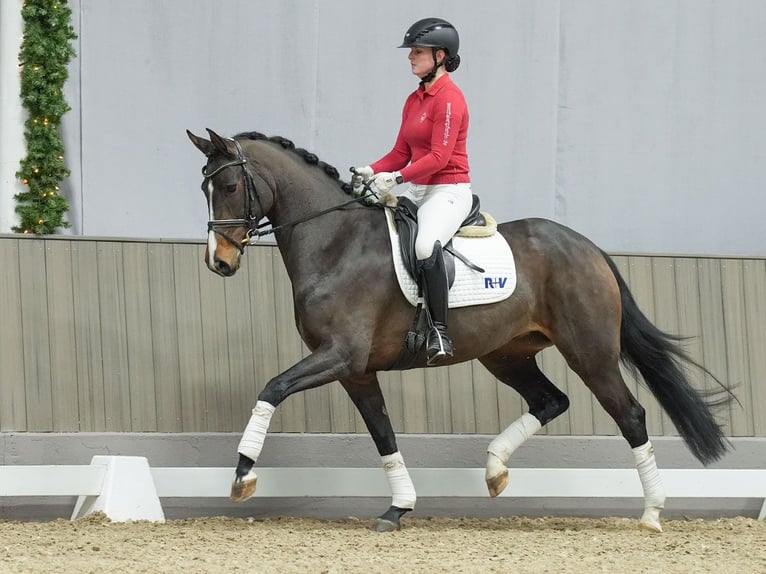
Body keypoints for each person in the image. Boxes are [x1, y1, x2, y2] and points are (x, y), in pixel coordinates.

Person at [354, 17, 472, 366]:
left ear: (440, 55)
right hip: (418, 189)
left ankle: (439, 331)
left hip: (448, 190)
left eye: (417, 52)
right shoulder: (414, 99)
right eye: (411, 52)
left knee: (424, 246)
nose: (410, 58)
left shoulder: (449, 98)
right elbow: (400, 153)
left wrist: (396, 178)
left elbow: (439, 157)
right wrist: (372, 169)